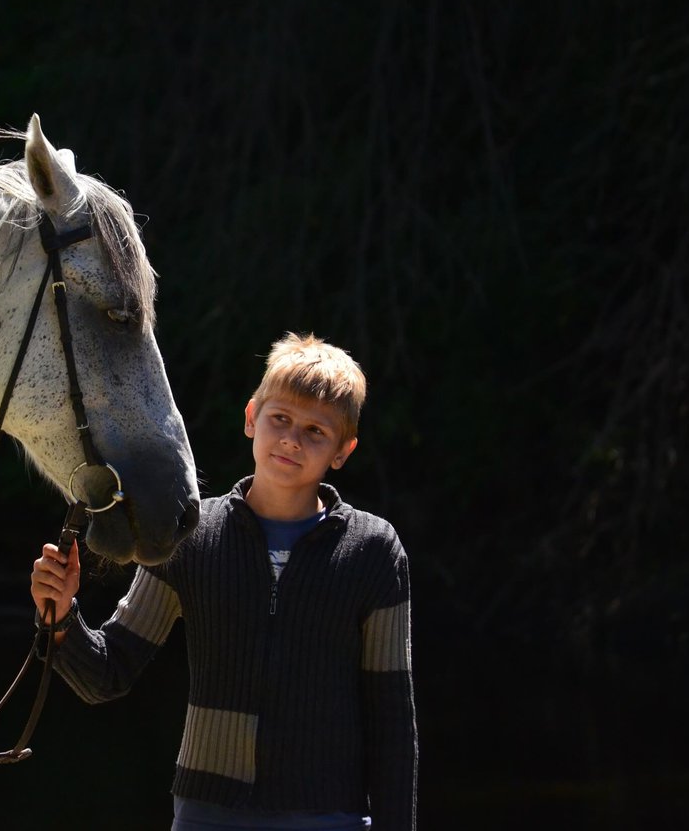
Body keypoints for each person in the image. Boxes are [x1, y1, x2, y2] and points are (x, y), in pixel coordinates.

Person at [30, 332, 417, 830]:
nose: (292, 440)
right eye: (280, 419)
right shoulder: (190, 536)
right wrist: (60, 615)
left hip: (330, 816)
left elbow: (392, 722)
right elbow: (107, 673)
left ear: (342, 451)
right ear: (251, 417)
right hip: (207, 816)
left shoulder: (374, 551)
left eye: (315, 431)